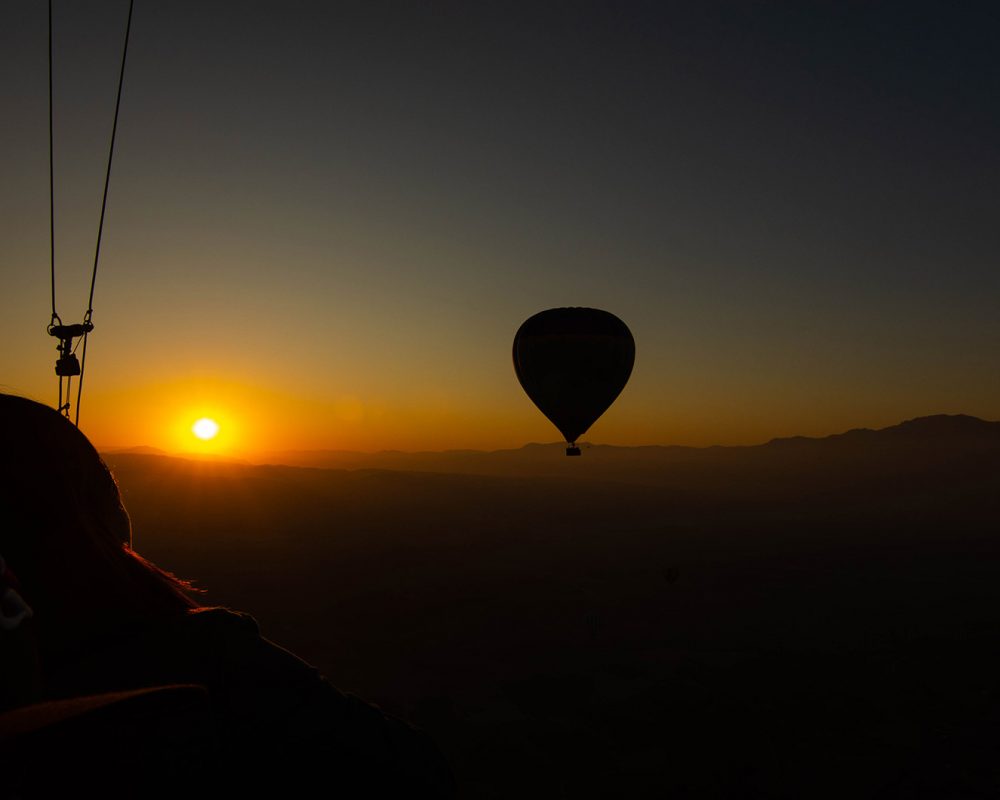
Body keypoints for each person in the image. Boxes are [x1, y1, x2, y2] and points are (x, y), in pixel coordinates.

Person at [0, 393, 454, 796]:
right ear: (88, 511)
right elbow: (413, 769)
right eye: (110, 484)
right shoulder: (207, 658)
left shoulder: (32, 676)